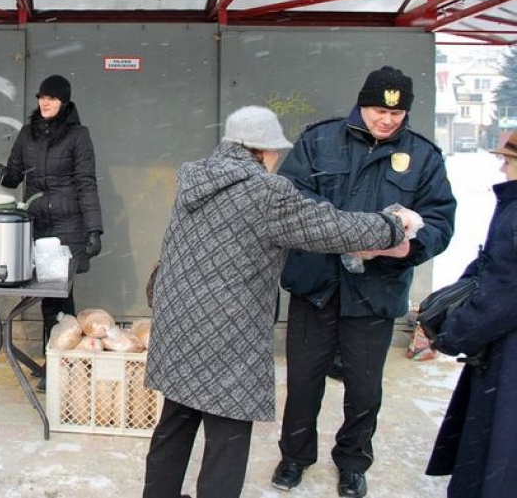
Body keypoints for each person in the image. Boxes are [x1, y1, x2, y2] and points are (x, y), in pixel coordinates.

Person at [143, 106, 414, 498]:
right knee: (227, 435)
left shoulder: (196, 177)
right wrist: (391, 227)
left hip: (179, 324)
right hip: (227, 333)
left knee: (176, 421)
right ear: (264, 150)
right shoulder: (266, 193)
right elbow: (330, 228)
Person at [272, 66, 457, 497]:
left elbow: (440, 222)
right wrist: (346, 231)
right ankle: (295, 455)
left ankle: (353, 461)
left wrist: (406, 247)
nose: (387, 120)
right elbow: (289, 198)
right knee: (303, 381)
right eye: (379, 110)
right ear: (362, 104)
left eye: (397, 113)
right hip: (316, 283)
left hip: (376, 290)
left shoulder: (424, 156)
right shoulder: (319, 140)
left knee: (364, 388)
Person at [0, 75, 103, 389]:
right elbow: (14, 176)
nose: (45, 102)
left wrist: (94, 229)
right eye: (41, 97)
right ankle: (53, 361)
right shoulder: (28, 134)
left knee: (61, 296)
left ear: (63, 102)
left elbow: (86, 183)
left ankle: (61, 365)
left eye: (51, 98)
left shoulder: (78, 135)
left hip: (68, 225)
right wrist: (1, 173)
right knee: (45, 295)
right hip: (37, 223)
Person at [425, 131, 517, 497]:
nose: (502, 168)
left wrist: (454, 331)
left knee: (499, 455)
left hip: (508, 355)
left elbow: (504, 288)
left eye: (508, 161)